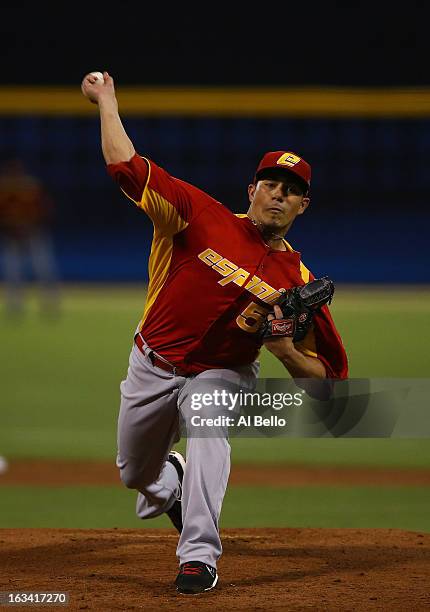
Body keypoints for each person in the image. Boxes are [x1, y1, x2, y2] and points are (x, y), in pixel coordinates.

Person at [81, 71, 348, 595]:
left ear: (303, 207)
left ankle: (198, 555)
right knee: (137, 477)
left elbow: (328, 386)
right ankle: (170, 484)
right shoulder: (197, 216)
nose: (278, 195)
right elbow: (125, 167)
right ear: (252, 190)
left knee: (207, 413)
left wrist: (286, 350)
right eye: (271, 184)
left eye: (292, 191)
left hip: (223, 374)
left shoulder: (299, 283)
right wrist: (106, 100)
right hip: (150, 364)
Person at [0, 157, 59, 316]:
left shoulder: (30, 187)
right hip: (11, 235)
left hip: (34, 233)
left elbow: (45, 209)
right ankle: (15, 306)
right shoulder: (4, 188)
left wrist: (30, 225)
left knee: (44, 270)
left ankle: (49, 304)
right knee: (12, 273)